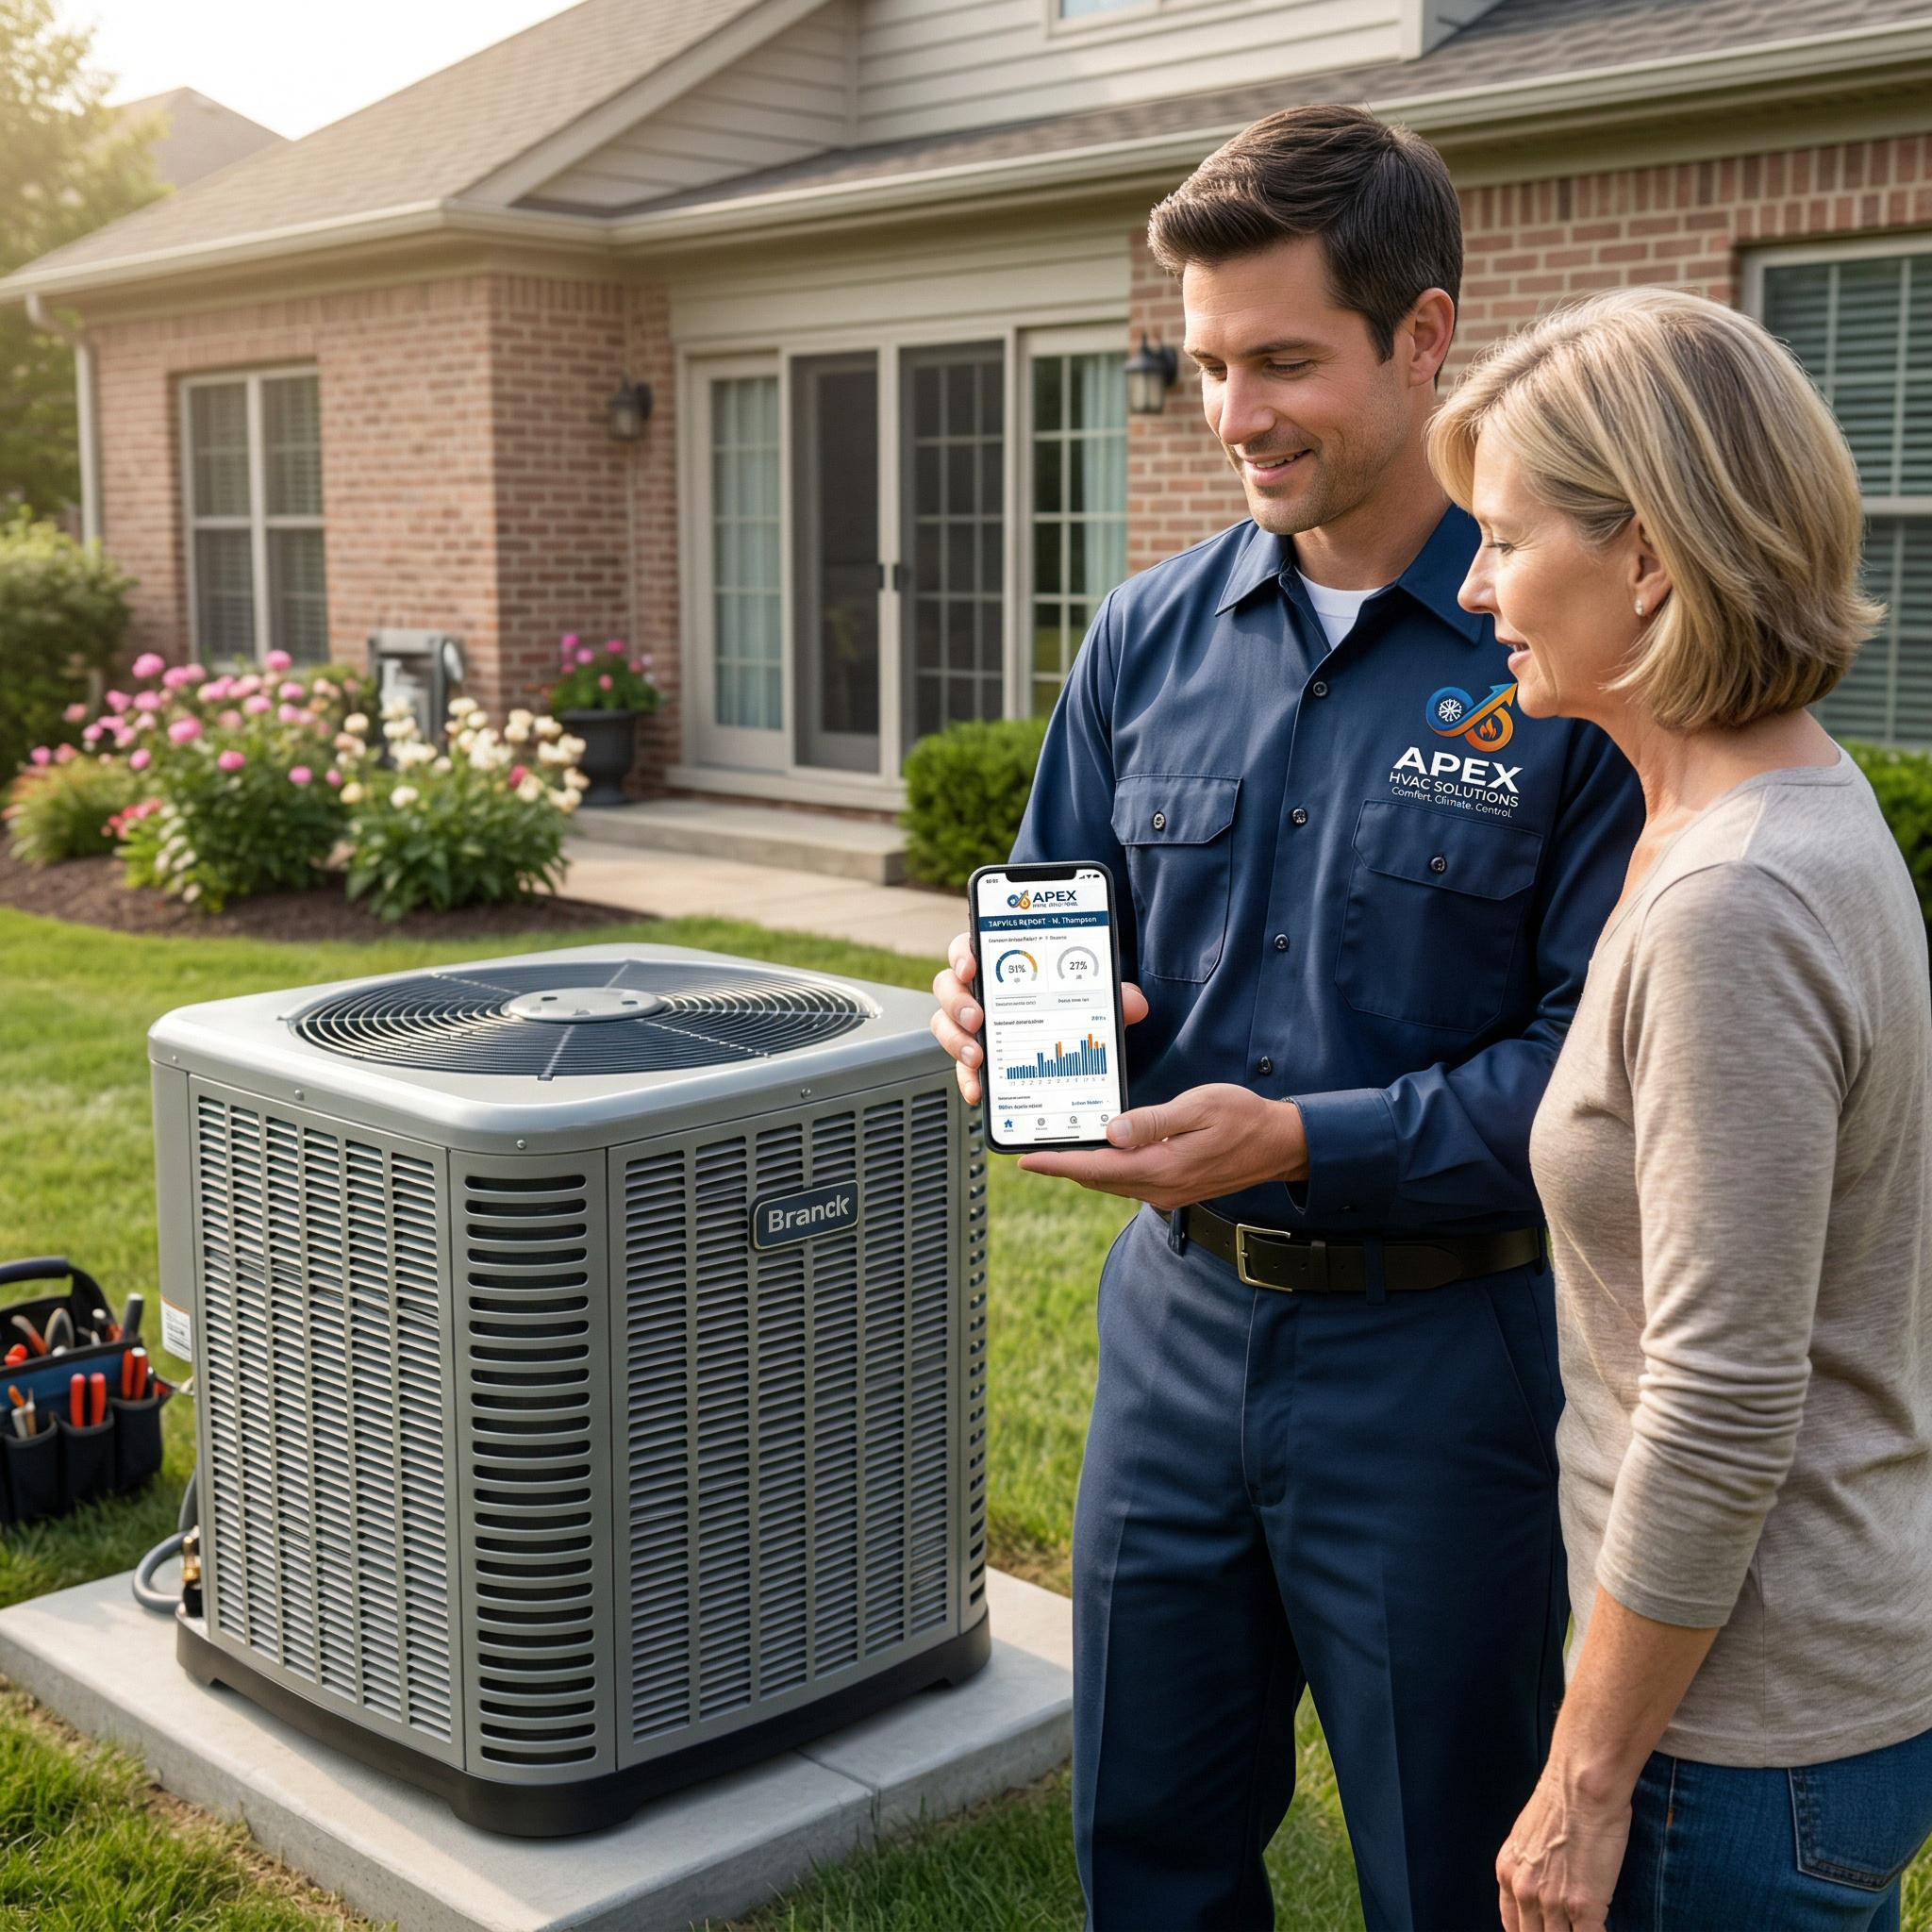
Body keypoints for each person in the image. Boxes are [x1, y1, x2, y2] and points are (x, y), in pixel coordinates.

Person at [929, 107, 1644, 1929]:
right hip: (1171, 1341)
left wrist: (1310, 1139)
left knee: (1447, 1868)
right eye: (1206, 366)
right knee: (1148, 1847)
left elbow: (1601, 1074)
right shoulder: (1146, 636)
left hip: (1444, 1372)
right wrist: (999, 1011)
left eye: (1283, 361)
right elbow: (1056, 908)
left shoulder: (1554, 663)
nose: (1235, 413)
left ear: (1422, 338)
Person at [1429, 287, 1932, 1930]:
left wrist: (1583, 1782)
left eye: (1503, 540)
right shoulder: (1770, 803)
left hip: (1734, 1736)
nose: (1474, 587)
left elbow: (1719, 1403)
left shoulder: (1739, 898)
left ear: (1647, 557)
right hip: (1761, 1698)